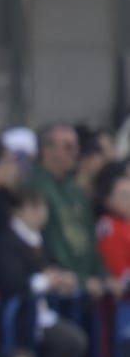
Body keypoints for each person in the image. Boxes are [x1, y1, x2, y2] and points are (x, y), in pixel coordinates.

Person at [0, 190, 89, 357]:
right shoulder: (8, 239)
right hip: (18, 316)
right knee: (69, 341)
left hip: (42, 312)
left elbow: (53, 268)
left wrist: (63, 280)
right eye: (33, 207)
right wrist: (46, 281)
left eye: (42, 207)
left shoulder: (40, 239)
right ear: (18, 210)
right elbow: (10, 281)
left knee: (74, 341)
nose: (40, 213)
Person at [29, 123, 106, 294]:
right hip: (60, 283)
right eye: (67, 147)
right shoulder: (35, 186)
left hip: (88, 284)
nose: (75, 152)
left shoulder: (76, 190)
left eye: (76, 146)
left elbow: (90, 237)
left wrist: (101, 276)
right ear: (47, 150)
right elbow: (49, 239)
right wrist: (80, 279)